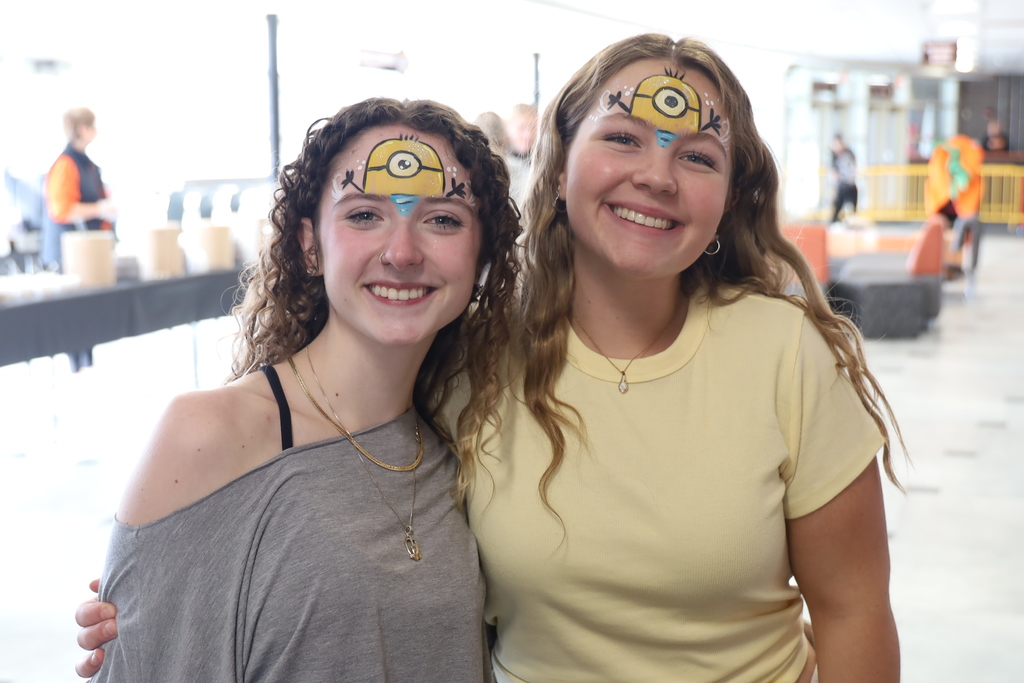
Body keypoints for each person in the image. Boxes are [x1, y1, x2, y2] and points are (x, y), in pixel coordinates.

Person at [79, 35, 903, 683]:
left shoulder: (783, 350)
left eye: (698, 155)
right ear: (561, 165)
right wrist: (157, 600)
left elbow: (856, 610)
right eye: (624, 137)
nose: (657, 176)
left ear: (731, 193)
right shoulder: (473, 363)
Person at [75, 97, 521, 682]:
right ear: (311, 244)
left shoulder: (464, 438)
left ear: (481, 252)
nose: (403, 252)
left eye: (442, 219)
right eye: (364, 215)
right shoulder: (212, 435)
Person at [42, 107, 118, 371]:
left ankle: (86, 368)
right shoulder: (65, 164)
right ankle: (78, 371)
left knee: (87, 320)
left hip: (87, 255)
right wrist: (101, 208)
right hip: (68, 257)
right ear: (83, 129)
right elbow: (61, 210)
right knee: (73, 323)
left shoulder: (86, 163)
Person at [503, 103, 537, 208]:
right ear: (508, 129)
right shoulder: (501, 166)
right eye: (521, 128)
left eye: (532, 128)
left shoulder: (542, 164)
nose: (528, 134)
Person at [829, 133, 857, 224]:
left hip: (850, 184)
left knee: (852, 207)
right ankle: (834, 222)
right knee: (837, 207)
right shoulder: (834, 156)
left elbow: (853, 167)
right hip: (842, 185)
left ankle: (851, 222)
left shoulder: (849, 153)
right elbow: (834, 173)